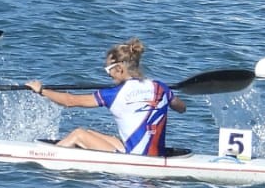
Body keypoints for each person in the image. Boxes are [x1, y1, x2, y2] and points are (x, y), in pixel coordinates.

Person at [24, 38, 184, 155]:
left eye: (108, 70)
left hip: (137, 157)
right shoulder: (160, 87)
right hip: (155, 154)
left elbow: (69, 101)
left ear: (120, 69)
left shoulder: (113, 94)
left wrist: (41, 90)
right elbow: (181, 108)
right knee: (90, 133)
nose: (108, 75)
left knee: (79, 134)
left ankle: (47, 158)